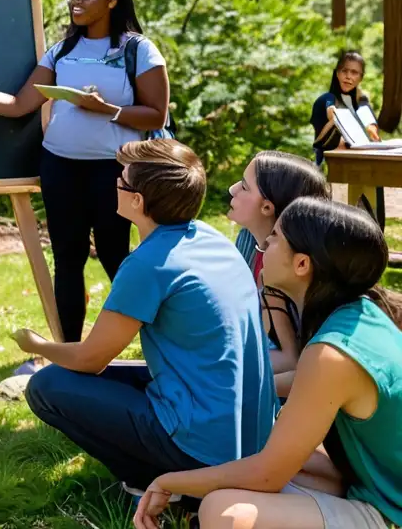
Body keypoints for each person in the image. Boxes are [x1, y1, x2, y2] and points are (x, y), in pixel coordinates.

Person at [15, 140, 277, 501]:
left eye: (120, 179)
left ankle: (154, 481)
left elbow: (91, 360)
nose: (113, 183)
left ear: (137, 201)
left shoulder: (148, 264)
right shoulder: (209, 238)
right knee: (121, 374)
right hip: (249, 437)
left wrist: (37, 345)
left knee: (48, 386)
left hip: (202, 448)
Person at [0, 0, 170, 346]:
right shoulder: (61, 52)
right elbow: (18, 104)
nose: (76, 1)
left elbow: (157, 111)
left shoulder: (137, 50)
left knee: (117, 260)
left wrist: (104, 109)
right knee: (67, 261)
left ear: (113, 0)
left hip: (112, 172)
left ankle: (157, 345)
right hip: (60, 168)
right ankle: (69, 351)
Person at [134, 198, 402, 529]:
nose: (264, 246)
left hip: (390, 510)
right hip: (374, 483)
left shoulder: (331, 354)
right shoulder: (361, 311)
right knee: (264, 457)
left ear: (302, 264)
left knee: (224, 512)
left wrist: (169, 481)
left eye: (274, 237)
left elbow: (266, 477)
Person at [228, 151, 330, 396]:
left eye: (244, 186)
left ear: (267, 207)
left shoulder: (290, 269)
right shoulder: (248, 240)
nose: (232, 190)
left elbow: (295, 362)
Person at [311, 50, 380, 165]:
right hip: (330, 160)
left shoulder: (361, 103)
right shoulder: (328, 98)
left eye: (354, 73)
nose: (348, 77)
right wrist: (332, 112)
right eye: (344, 71)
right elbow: (330, 109)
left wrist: (372, 128)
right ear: (337, 73)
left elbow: (370, 126)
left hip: (358, 157)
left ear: (361, 78)